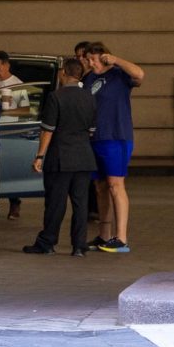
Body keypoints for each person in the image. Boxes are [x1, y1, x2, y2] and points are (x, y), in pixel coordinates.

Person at [23, 58, 96, 257]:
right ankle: (79, 246)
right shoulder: (90, 97)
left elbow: (48, 131)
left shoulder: (56, 97)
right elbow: (91, 130)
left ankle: (47, 242)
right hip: (84, 157)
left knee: (56, 203)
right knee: (81, 204)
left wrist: (39, 156)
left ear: (63, 73)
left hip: (60, 158)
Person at [83, 42, 144, 254]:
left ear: (104, 57)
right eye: (88, 59)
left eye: (94, 59)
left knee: (115, 185)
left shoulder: (119, 75)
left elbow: (140, 75)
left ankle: (122, 238)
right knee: (100, 187)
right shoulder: (89, 78)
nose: (91, 63)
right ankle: (104, 235)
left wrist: (116, 59)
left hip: (116, 136)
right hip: (95, 137)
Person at [0, 50, 27, 219]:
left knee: (10, 168)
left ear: (7, 65)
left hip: (12, 129)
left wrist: (9, 111)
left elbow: (26, 109)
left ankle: (15, 203)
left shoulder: (17, 84)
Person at [74, 40, 100, 221]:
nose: (82, 60)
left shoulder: (97, 78)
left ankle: (97, 208)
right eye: (78, 57)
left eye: (84, 56)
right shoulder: (82, 80)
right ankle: (89, 207)